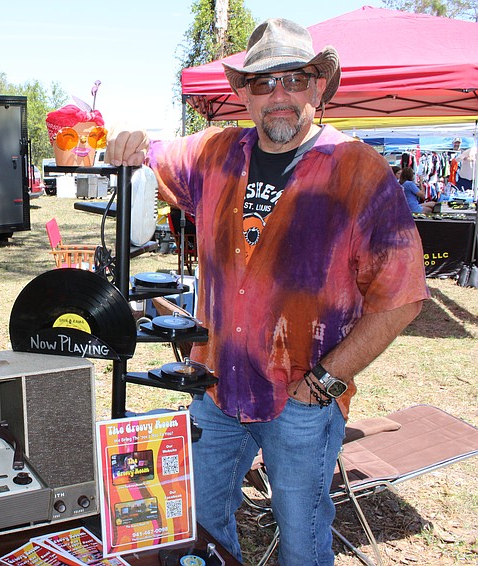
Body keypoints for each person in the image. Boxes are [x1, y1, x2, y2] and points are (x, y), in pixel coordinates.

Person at [105, 18, 428, 566]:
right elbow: (154, 153)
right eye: (262, 82)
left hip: (300, 402)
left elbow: (402, 296)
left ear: (319, 87)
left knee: (301, 543)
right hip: (216, 392)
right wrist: (131, 142)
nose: (279, 94)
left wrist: (325, 381)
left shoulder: (358, 172)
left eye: (295, 79)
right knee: (199, 532)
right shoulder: (214, 154)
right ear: (243, 94)